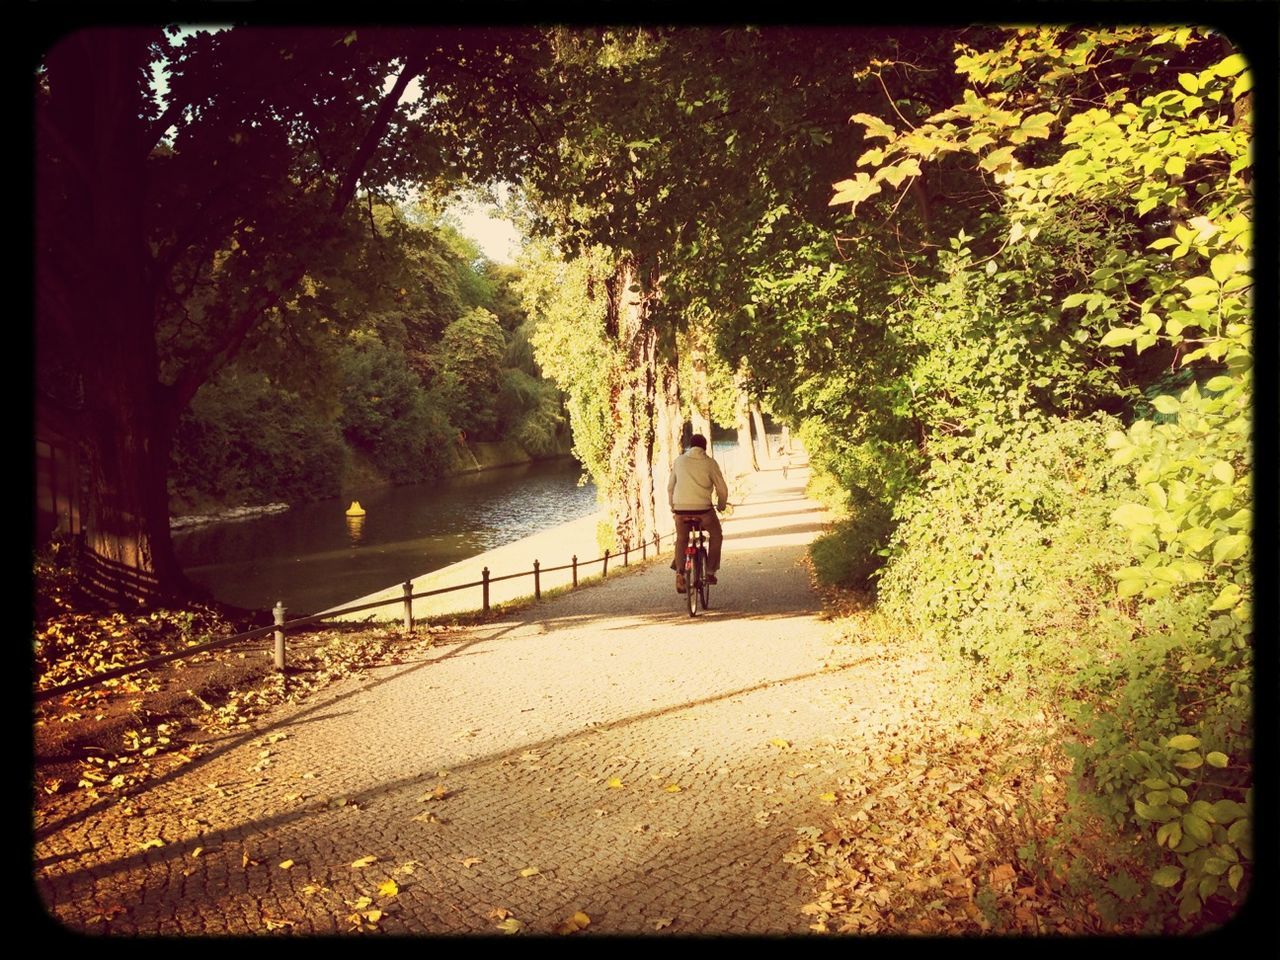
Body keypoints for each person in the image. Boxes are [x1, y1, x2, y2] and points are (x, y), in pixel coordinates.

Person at [667, 434, 728, 594]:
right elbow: (722, 488)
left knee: (682, 538)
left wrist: (673, 506)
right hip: (703, 511)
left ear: (689, 446)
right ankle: (709, 572)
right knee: (716, 535)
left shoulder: (679, 461)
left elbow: (670, 487)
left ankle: (680, 572)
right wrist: (721, 506)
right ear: (705, 447)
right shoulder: (710, 463)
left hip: (681, 510)